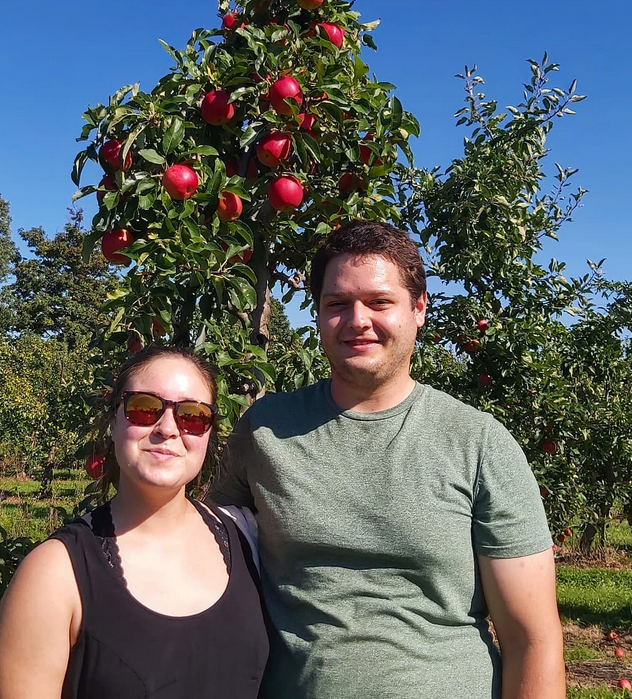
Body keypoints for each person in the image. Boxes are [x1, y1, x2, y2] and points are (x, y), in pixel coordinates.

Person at [210, 220, 565, 699]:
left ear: (419, 308)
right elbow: (203, 550)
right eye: (337, 304)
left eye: (379, 302)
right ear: (317, 315)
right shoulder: (265, 430)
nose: (357, 320)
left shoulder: (478, 443)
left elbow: (532, 638)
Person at [0, 345, 269, 699]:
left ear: (209, 433)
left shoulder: (246, 538)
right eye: (144, 409)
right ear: (114, 420)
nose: (167, 428)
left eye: (192, 416)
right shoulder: (54, 573)